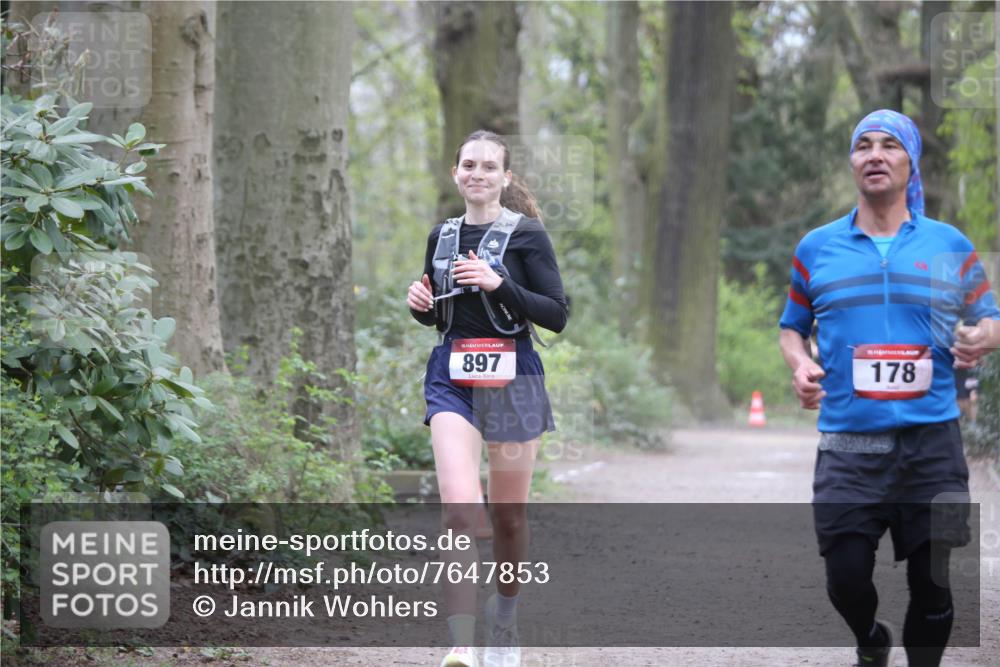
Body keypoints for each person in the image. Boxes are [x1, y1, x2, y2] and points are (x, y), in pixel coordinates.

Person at [778, 109, 1000, 667]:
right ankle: (870, 640)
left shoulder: (948, 244)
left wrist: (981, 335)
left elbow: (991, 318)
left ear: (910, 162)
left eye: (889, 146)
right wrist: (800, 365)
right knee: (845, 577)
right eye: (863, 146)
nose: (874, 154)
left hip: (934, 446)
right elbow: (791, 328)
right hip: (849, 444)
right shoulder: (817, 248)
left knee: (935, 579)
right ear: (852, 162)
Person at [407, 130, 569, 667]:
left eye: (488, 166)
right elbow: (441, 314)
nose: (477, 174)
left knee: (508, 518)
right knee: (459, 510)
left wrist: (499, 284)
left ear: (504, 177)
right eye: (468, 165)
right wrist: (421, 305)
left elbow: (556, 315)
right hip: (452, 377)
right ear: (455, 174)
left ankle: (505, 615)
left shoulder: (528, 236)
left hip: (514, 379)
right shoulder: (441, 236)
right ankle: (460, 643)